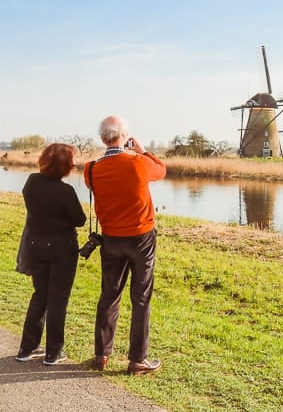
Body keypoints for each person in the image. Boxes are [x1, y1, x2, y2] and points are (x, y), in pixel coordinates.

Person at [84, 115, 166, 375]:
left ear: (103, 138)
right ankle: (137, 360)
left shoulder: (92, 168)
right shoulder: (139, 163)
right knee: (141, 298)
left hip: (110, 238)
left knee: (109, 294)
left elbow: (94, 184)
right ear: (124, 136)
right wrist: (141, 150)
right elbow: (161, 170)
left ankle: (102, 355)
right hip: (141, 237)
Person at [16, 143, 86, 365]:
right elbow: (80, 220)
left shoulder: (31, 182)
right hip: (62, 249)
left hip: (36, 245)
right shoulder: (65, 191)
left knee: (40, 295)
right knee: (58, 299)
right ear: (65, 166)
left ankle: (27, 349)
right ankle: (53, 353)